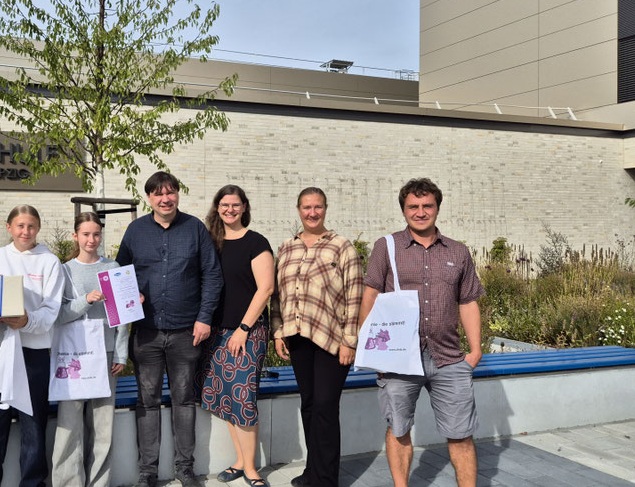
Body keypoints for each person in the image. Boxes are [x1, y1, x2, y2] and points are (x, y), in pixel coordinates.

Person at [359, 178, 485, 487]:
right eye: (413, 206)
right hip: (400, 360)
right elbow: (371, 295)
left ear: (437, 208)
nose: (420, 212)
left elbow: (468, 301)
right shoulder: (385, 247)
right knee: (399, 429)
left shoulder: (458, 250)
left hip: (449, 357)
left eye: (427, 205)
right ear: (403, 210)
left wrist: (475, 350)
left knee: (461, 434)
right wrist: (370, 346)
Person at [115, 171, 223, 487]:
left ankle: (185, 469)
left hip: (186, 333)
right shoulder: (135, 231)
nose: (166, 199)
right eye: (159, 194)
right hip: (146, 333)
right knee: (146, 401)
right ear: (149, 198)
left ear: (177, 194)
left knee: (184, 400)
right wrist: (129, 295)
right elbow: (120, 273)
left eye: (171, 192)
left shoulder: (195, 229)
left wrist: (204, 318)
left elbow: (212, 276)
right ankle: (147, 472)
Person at [270, 187, 363, 487]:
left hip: (331, 340)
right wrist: (277, 331)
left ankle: (326, 479)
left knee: (324, 406)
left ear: (326, 208)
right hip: (297, 337)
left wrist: (350, 339)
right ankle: (312, 472)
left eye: (318, 207)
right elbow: (277, 294)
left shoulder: (341, 246)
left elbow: (355, 295)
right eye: (307, 207)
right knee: (309, 404)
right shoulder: (286, 247)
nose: (312, 213)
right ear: (298, 209)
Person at [0, 205, 64, 487]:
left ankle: (33, 483)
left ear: (38, 228)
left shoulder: (49, 263)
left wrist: (25, 320)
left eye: (31, 226)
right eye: (20, 226)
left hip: (33, 354)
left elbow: (51, 312)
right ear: (9, 227)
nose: (26, 232)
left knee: (33, 426)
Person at [199, 185, 274, 487]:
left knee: (244, 397)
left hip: (248, 332)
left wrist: (243, 330)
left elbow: (266, 288)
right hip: (216, 333)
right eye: (224, 205)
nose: (230, 210)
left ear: (244, 207)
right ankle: (240, 461)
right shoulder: (211, 243)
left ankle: (252, 469)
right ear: (217, 208)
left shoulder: (256, 242)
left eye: (235, 205)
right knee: (228, 397)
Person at [51, 212, 130, 487]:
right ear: (76, 236)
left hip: (106, 355)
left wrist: (121, 353)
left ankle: (99, 482)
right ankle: (67, 482)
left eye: (96, 234)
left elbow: (122, 317)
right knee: (69, 425)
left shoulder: (113, 267)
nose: (91, 240)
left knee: (103, 426)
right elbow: (57, 316)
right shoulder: (64, 270)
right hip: (72, 355)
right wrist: (85, 300)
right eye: (85, 234)